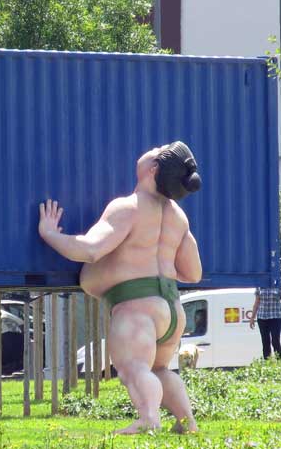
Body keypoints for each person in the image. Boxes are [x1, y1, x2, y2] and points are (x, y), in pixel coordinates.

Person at [38, 141, 202, 435]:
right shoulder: (178, 216)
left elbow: (90, 250)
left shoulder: (129, 207)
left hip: (136, 306)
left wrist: (49, 233)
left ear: (152, 169)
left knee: (134, 368)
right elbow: (194, 272)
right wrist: (155, 270)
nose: (152, 147)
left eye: (157, 149)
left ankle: (148, 418)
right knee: (159, 369)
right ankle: (186, 421)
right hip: (171, 308)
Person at [250, 286, 281, 359]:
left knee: (275, 340)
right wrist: (252, 317)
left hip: (275, 317)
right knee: (265, 342)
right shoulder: (260, 285)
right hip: (262, 317)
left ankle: (280, 361)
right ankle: (267, 362)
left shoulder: (278, 285)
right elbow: (257, 302)